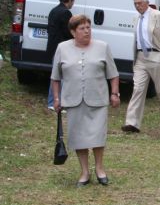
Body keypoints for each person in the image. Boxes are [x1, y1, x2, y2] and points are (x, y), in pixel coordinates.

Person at [51, 14, 120, 187]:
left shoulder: (103, 47)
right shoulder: (62, 48)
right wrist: (57, 98)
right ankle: (84, 171)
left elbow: (113, 74)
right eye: (82, 28)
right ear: (73, 32)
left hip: (97, 100)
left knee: (97, 135)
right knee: (78, 137)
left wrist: (114, 93)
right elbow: (55, 77)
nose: (87, 31)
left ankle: (99, 168)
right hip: (73, 100)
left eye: (88, 27)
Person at [122, 0, 160, 133]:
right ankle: (132, 122)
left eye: (139, 3)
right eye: (135, 3)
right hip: (140, 57)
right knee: (138, 89)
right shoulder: (136, 18)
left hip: (156, 55)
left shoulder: (158, 16)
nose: (137, 6)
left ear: (147, 2)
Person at [46, 0, 75, 110]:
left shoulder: (53, 10)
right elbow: (67, 31)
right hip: (61, 47)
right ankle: (54, 102)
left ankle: (52, 101)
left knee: (55, 75)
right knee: (61, 76)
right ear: (69, 0)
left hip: (52, 46)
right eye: (73, 1)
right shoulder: (66, 13)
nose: (73, 3)